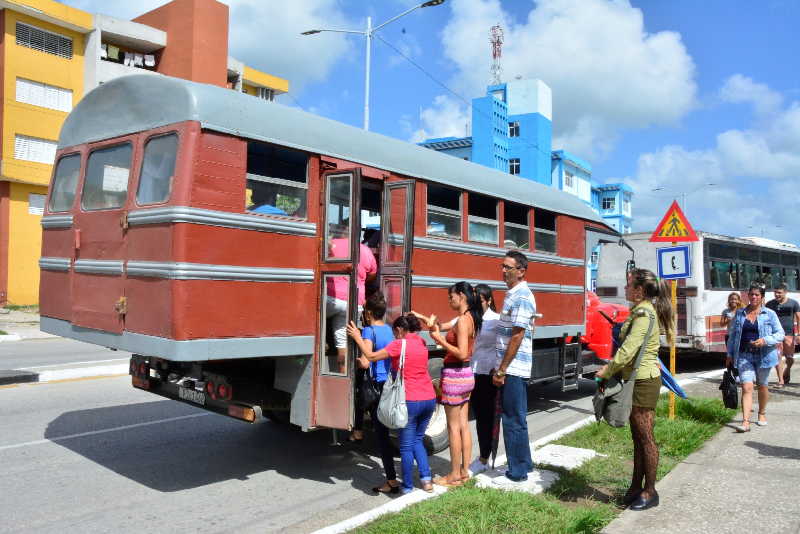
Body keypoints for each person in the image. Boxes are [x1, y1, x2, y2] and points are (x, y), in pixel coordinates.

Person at [596, 268, 674, 511]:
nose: (626, 289)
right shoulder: (640, 311)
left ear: (639, 290)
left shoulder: (643, 315)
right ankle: (635, 487)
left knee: (646, 438)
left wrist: (606, 371)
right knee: (638, 439)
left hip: (643, 381)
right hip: (637, 379)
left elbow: (628, 350)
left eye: (629, 285)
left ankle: (650, 491)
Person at [347, 313, 436, 494]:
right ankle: (427, 481)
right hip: (429, 398)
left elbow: (371, 357)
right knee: (417, 440)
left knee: (405, 445)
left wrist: (357, 336)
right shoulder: (421, 343)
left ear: (400, 330)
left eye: (396, 332)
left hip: (410, 400)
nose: (395, 336)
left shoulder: (399, 344)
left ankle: (407, 487)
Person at [415, 282, 481, 487]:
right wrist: (428, 322)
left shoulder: (462, 320)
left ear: (461, 296)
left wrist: (438, 340)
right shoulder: (472, 317)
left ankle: (453, 475)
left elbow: (461, 352)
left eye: (450, 296)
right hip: (467, 373)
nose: (449, 300)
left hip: (455, 373)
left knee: (453, 427)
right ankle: (463, 471)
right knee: (463, 426)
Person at [491, 250, 537, 487]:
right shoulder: (513, 294)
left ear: (521, 271)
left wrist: (502, 369)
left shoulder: (521, 296)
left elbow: (517, 336)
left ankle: (517, 471)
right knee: (517, 417)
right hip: (512, 367)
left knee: (512, 419)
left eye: (508, 267)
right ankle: (524, 462)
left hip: (513, 368)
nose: (503, 271)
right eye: (502, 266)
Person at [349, 293, 398, 492]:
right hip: (389, 384)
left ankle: (392, 481)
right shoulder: (388, 329)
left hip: (377, 387)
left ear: (368, 312)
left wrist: (356, 338)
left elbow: (366, 361)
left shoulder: (369, 332)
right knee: (388, 432)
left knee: (382, 437)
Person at [727, 283, 783, 431]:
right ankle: (745, 421)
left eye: (757, 295)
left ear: (762, 297)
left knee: (763, 386)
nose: (753, 297)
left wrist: (765, 340)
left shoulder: (769, 314)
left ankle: (762, 413)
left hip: (764, 355)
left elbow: (780, 334)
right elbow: (733, 336)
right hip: (744, 355)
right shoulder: (739, 313)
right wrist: (729, 354)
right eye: (751, 294)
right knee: (747, 386)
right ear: (748, 295)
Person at [327, 226, 377, 373]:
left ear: (342, 233)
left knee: (312, 317)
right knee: (342, 343)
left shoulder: (332, 244)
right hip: (354, 302)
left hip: (330, 297)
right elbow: (372, 274)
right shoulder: (366, 251)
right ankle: (342, 375)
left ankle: (319, 342)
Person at [467, 283, 501, 475]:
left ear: (488, 300)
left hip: (488, 373)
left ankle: (484, 458)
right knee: (478, 416)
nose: (476, 304)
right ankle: (482, 457)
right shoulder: (470, 319)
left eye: (479, 301)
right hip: (472, 371)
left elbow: (502, 346)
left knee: (486, 418)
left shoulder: (496, 320)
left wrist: (498, 370)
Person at [765, 283, 799, 387]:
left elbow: (799, 318)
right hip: (775, 335)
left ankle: (787, 370)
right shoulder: (770, 304)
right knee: (777, 356)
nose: (777, 294)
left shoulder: (793, 303)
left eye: (779, 292)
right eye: (775, 292)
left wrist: (798, 334)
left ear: (785, 292)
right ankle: (781, 380)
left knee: (789, 358)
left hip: (789, 334)